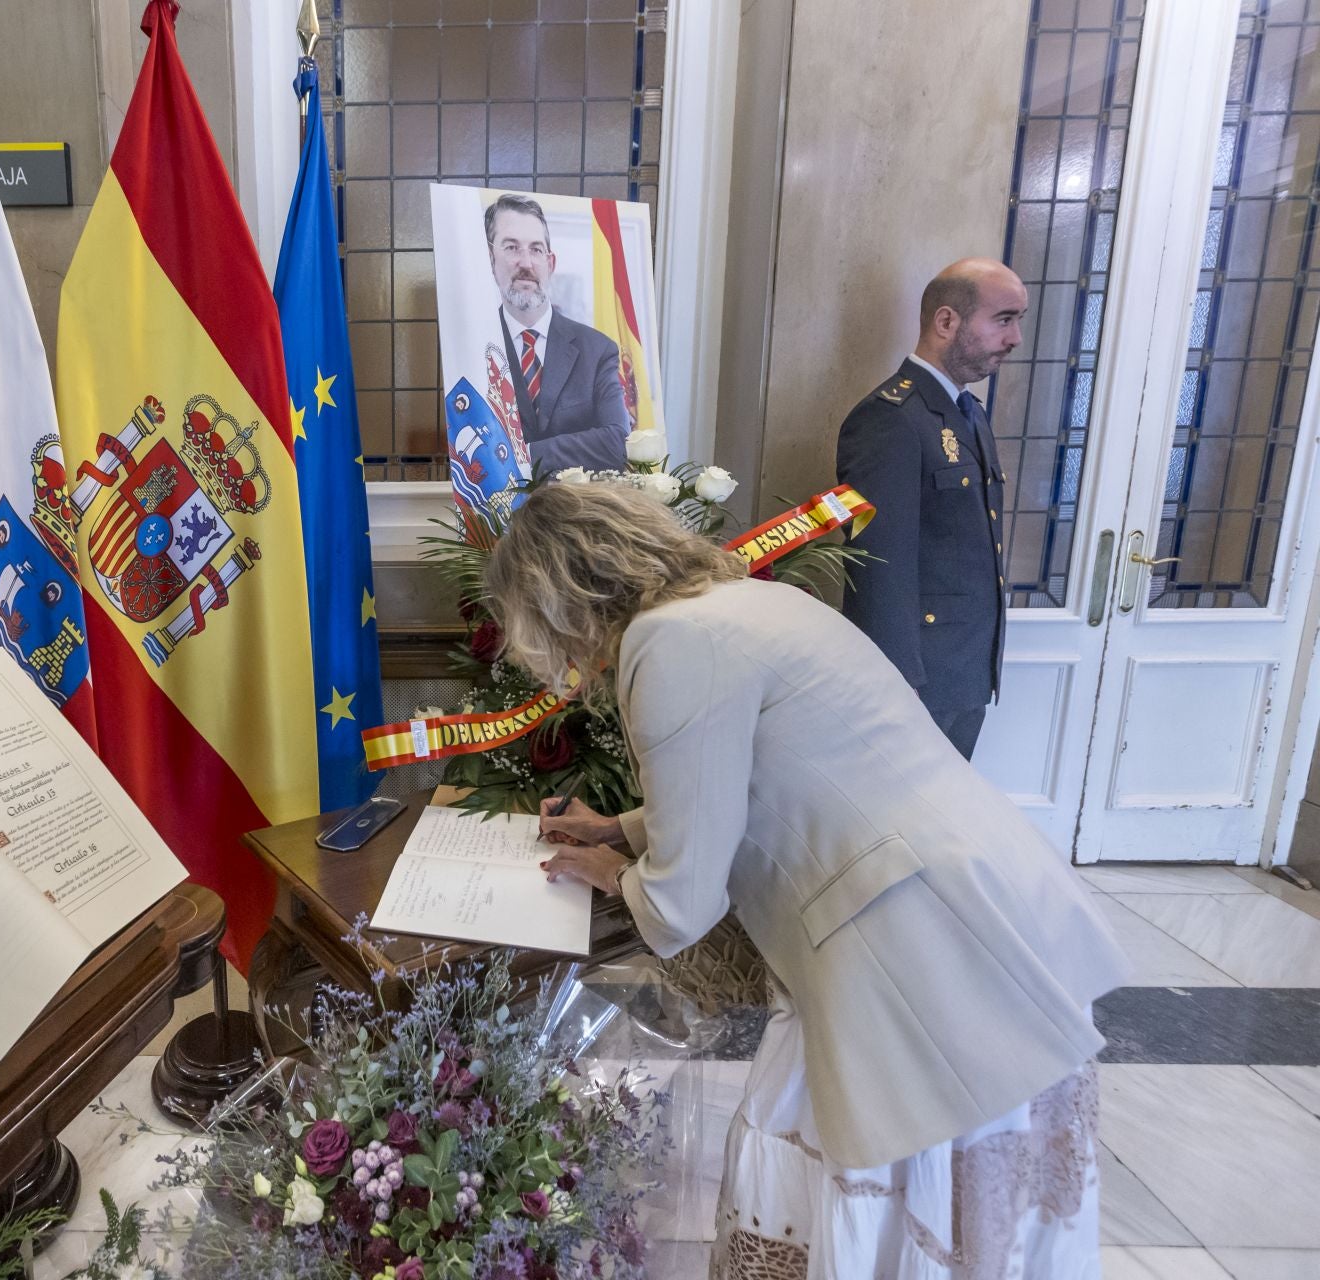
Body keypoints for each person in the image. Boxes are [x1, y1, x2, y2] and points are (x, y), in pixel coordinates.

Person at [483, 481, 1129, 1279]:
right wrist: (621, 827)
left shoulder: (667, 643)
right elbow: (769, 777)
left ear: (555, 602)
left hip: (911, 948)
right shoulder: (744, 602)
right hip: (972, 898)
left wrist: (612, 871)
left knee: (882, 1193)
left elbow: (681, 905)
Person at [836, 258, 1025, 759]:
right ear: (946, 321)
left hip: (965, 672)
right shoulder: (890, 419)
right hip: (917, 683)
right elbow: (878, 564)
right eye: (1004, 319)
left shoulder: (969, 413)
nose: (1015, 338)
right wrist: (896, 681)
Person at [483, 193, 631, 476]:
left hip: (577, 504)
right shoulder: (475, 348)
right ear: (491, 260)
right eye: (512, 248)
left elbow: (616, 443)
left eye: (536, 249)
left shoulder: (597, 350)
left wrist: (525, 455)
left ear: (550, 264)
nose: (526, 263)